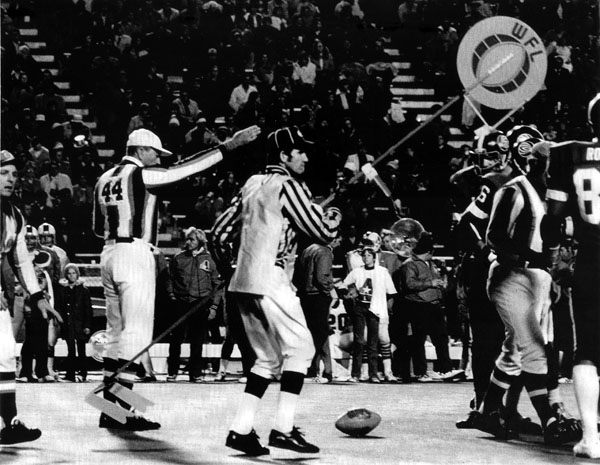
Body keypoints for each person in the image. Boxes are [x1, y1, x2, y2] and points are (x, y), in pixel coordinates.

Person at [92, 126, 260, 431]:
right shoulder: (142, 174)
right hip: (134, 252)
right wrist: (229, 146)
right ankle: (125, 411)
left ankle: (109, 408)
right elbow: (186, 169)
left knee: (115, 332)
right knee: (137, 333)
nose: (159, 159)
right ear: (142, 150)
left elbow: (95, 226)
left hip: (109, 252)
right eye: (156, 153)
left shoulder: (103, 179)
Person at [211, 126, 341, 456]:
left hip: (242, 280)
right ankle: (283, 429)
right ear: (284, 156)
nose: (306, 157)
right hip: (271, 275)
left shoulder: (251, 183)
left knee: (267, 360)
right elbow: (320, 231)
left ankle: (240, 430)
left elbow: (218, 233)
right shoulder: (289, 184)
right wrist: (333, 219)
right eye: (300, 152)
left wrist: (232, 269)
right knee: (302, 349)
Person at [475, 131, 581, 446]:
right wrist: (529, 260)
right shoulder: (514, 190)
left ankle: (488, 411)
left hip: (538, 277)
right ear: (538, 164)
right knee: (534, 348)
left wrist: (551, 274)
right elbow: (494, 236)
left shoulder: (554, 194)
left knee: (515, 350)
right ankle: (550, 420)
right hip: (512, 277)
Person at [542, 93, 600, 458]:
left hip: (592, 260)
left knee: (587, 354)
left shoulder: (569, 154)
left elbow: (552, 220)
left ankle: (592, 438)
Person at [0, 150, 61, 444]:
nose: (10, 179)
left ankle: (10, 423)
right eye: (3, 173)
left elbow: (22, 259)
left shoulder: (14, 214)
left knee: (4, 354)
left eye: (13, 174)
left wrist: (38, 297)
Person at [398, 232, 465, 382]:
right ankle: (421, 372)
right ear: (428, 252)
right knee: (418, 339)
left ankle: (445, 369)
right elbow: (409, 284)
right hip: (418, 305)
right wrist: (430, 283)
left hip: (434, 305)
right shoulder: (409, 264)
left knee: (441, 338)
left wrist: (441, 284)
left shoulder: (431, 264)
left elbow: (436, 280)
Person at [165, 227, 222, 382]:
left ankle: (195, 373)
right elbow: (169, 278)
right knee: (176, 339)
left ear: (200, 241)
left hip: (200, 304)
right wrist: (172, 295)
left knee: (197, 341)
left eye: (192, 240)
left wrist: (214, 307)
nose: (188, 242)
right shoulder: (179, 258)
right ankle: (172, 371)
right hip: (182, 302)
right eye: (187, 239)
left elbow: (217, 284)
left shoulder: (209, 259)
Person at [342, 239, 397, 383]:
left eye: (369, 255)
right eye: (364, 255)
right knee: (359, 341)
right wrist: (351, 291)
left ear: (374, 257)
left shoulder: (382, 272)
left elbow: (391, 292)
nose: (366, 258)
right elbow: (343, 286)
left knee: (374, 342)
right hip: (360, 309)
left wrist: (384, 307)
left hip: (376, 309)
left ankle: (374, 374)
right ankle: (356, 374)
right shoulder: (356, 272)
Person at [293, 234, 341, 383]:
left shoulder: (307, 250)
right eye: (338, 239)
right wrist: (331, 290)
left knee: (313, 333)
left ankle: (320, 370)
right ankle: (321, 371)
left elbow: (297, 276)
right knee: (321, 334)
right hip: (318, 296)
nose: (340, 243)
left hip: (305, 295)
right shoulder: (324, 251)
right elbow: (322, 276)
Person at [55, 264, 92, 382]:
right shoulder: (63, 290)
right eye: (69, 273)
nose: (71, 276)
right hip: (68, 324)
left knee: (81, 350)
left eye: (73, 273)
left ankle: (83, 373)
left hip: (80, 324)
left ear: (77, 274)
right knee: (70, 349)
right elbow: (60, 306)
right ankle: (70, 374)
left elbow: (88, 309)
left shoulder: (83, 290)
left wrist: (87, 325)